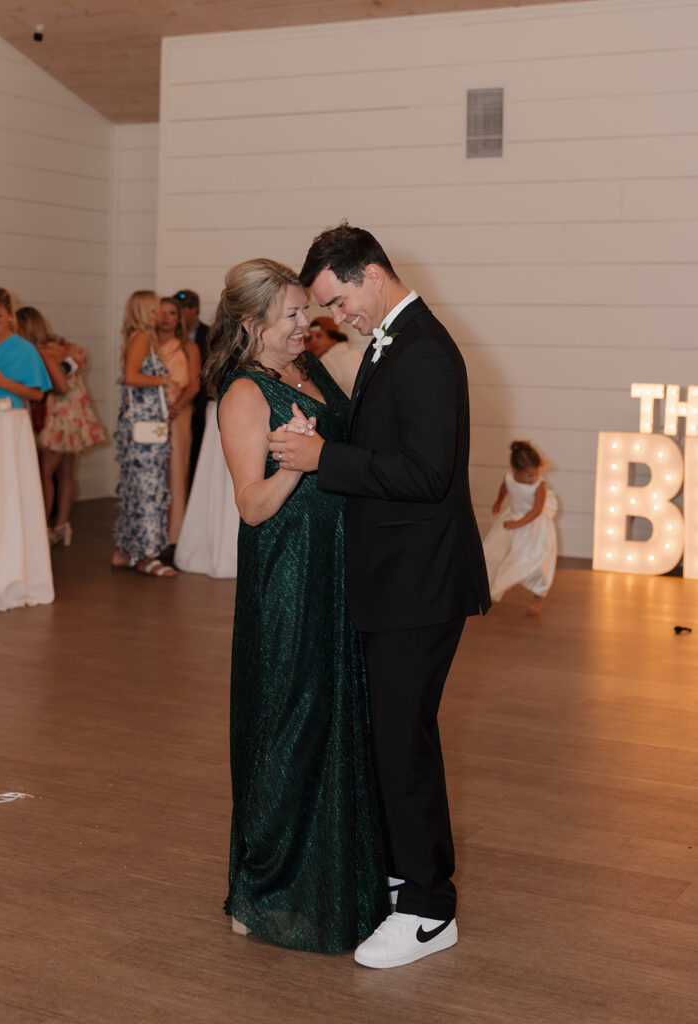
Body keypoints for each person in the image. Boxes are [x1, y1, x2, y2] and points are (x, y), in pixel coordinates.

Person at [268, 223, 491, 969]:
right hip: (399, 578)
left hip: (420, 583)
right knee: (392, 735)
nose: (337, 318)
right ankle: (403, 878)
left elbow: (427, 475)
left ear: (369, 273)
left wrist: (324, 458)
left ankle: (430, 908)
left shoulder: (423, 350)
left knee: (405, 739)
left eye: (337, 300)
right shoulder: (395, 341)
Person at [207, 257, 388, 953]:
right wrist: (295, 462)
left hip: (337, 570)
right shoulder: (245, 395)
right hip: (286, 577)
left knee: (335, 718)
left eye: (303, 312)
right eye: (289, 315)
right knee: (284, 725)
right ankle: (264, 888)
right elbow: (251, 507)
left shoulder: (308, 372)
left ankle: (334, 872)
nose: (302, 325)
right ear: (250, 324)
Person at [16, 307, 107, 547]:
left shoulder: (44, 354)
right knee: (66, 473)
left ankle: (42, 526)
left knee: (45, 473)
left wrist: (39, 387)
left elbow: (61, 387)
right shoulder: (63, 348)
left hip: (61, 416)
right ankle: (62, 526)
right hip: (76, 416)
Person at [111, 290, 176, 578]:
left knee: (136, 490)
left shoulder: (138, 337)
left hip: (141, 428)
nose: (159, 314)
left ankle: (125, 551)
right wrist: (164, 379)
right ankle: (147, 556)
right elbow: (131, 376)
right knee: (148, 491)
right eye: (155, 309)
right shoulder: (142, 338)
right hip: (144, 433)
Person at [484, 440, 558, 616]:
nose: (534, 478)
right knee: (493, 552)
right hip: (513, 520)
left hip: (534, 527)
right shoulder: (509, 477)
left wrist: (517, 524)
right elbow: (505, 488)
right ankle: (487, 587)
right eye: (530, 475)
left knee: (535, 562)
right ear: (516, 471)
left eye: (536, 474)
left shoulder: (539, 485)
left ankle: (538, 597)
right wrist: (498, 502)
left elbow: (537, 510)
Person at [156, 296, 201, 550]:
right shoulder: (146, 344)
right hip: (151, 416)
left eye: (171, 313)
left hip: (178, 415)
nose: (165, 317)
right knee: (153, 472)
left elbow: (194, 384)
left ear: (179, 317)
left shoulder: (188, 348)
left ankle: (174, 537)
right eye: (161, 312)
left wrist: (177, 406)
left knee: (176, 472)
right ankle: (151, 530)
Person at [0, 287, 51, 407]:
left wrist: (3, 382)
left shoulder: (25, 349)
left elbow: (38, 395)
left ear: (10, 314)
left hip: (10, 415)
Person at [174, 289, 209, 485]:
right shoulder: (170, 337)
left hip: (202, 407)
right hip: (177, 408)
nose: (179, 313)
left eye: (184, 308)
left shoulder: (210, 334)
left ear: (194, 310)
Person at [305, 316, 362, 398]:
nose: (313, 342)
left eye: (318, 336)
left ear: (334, 337)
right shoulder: (356, 354)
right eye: (310, 338)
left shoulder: (328, 359)